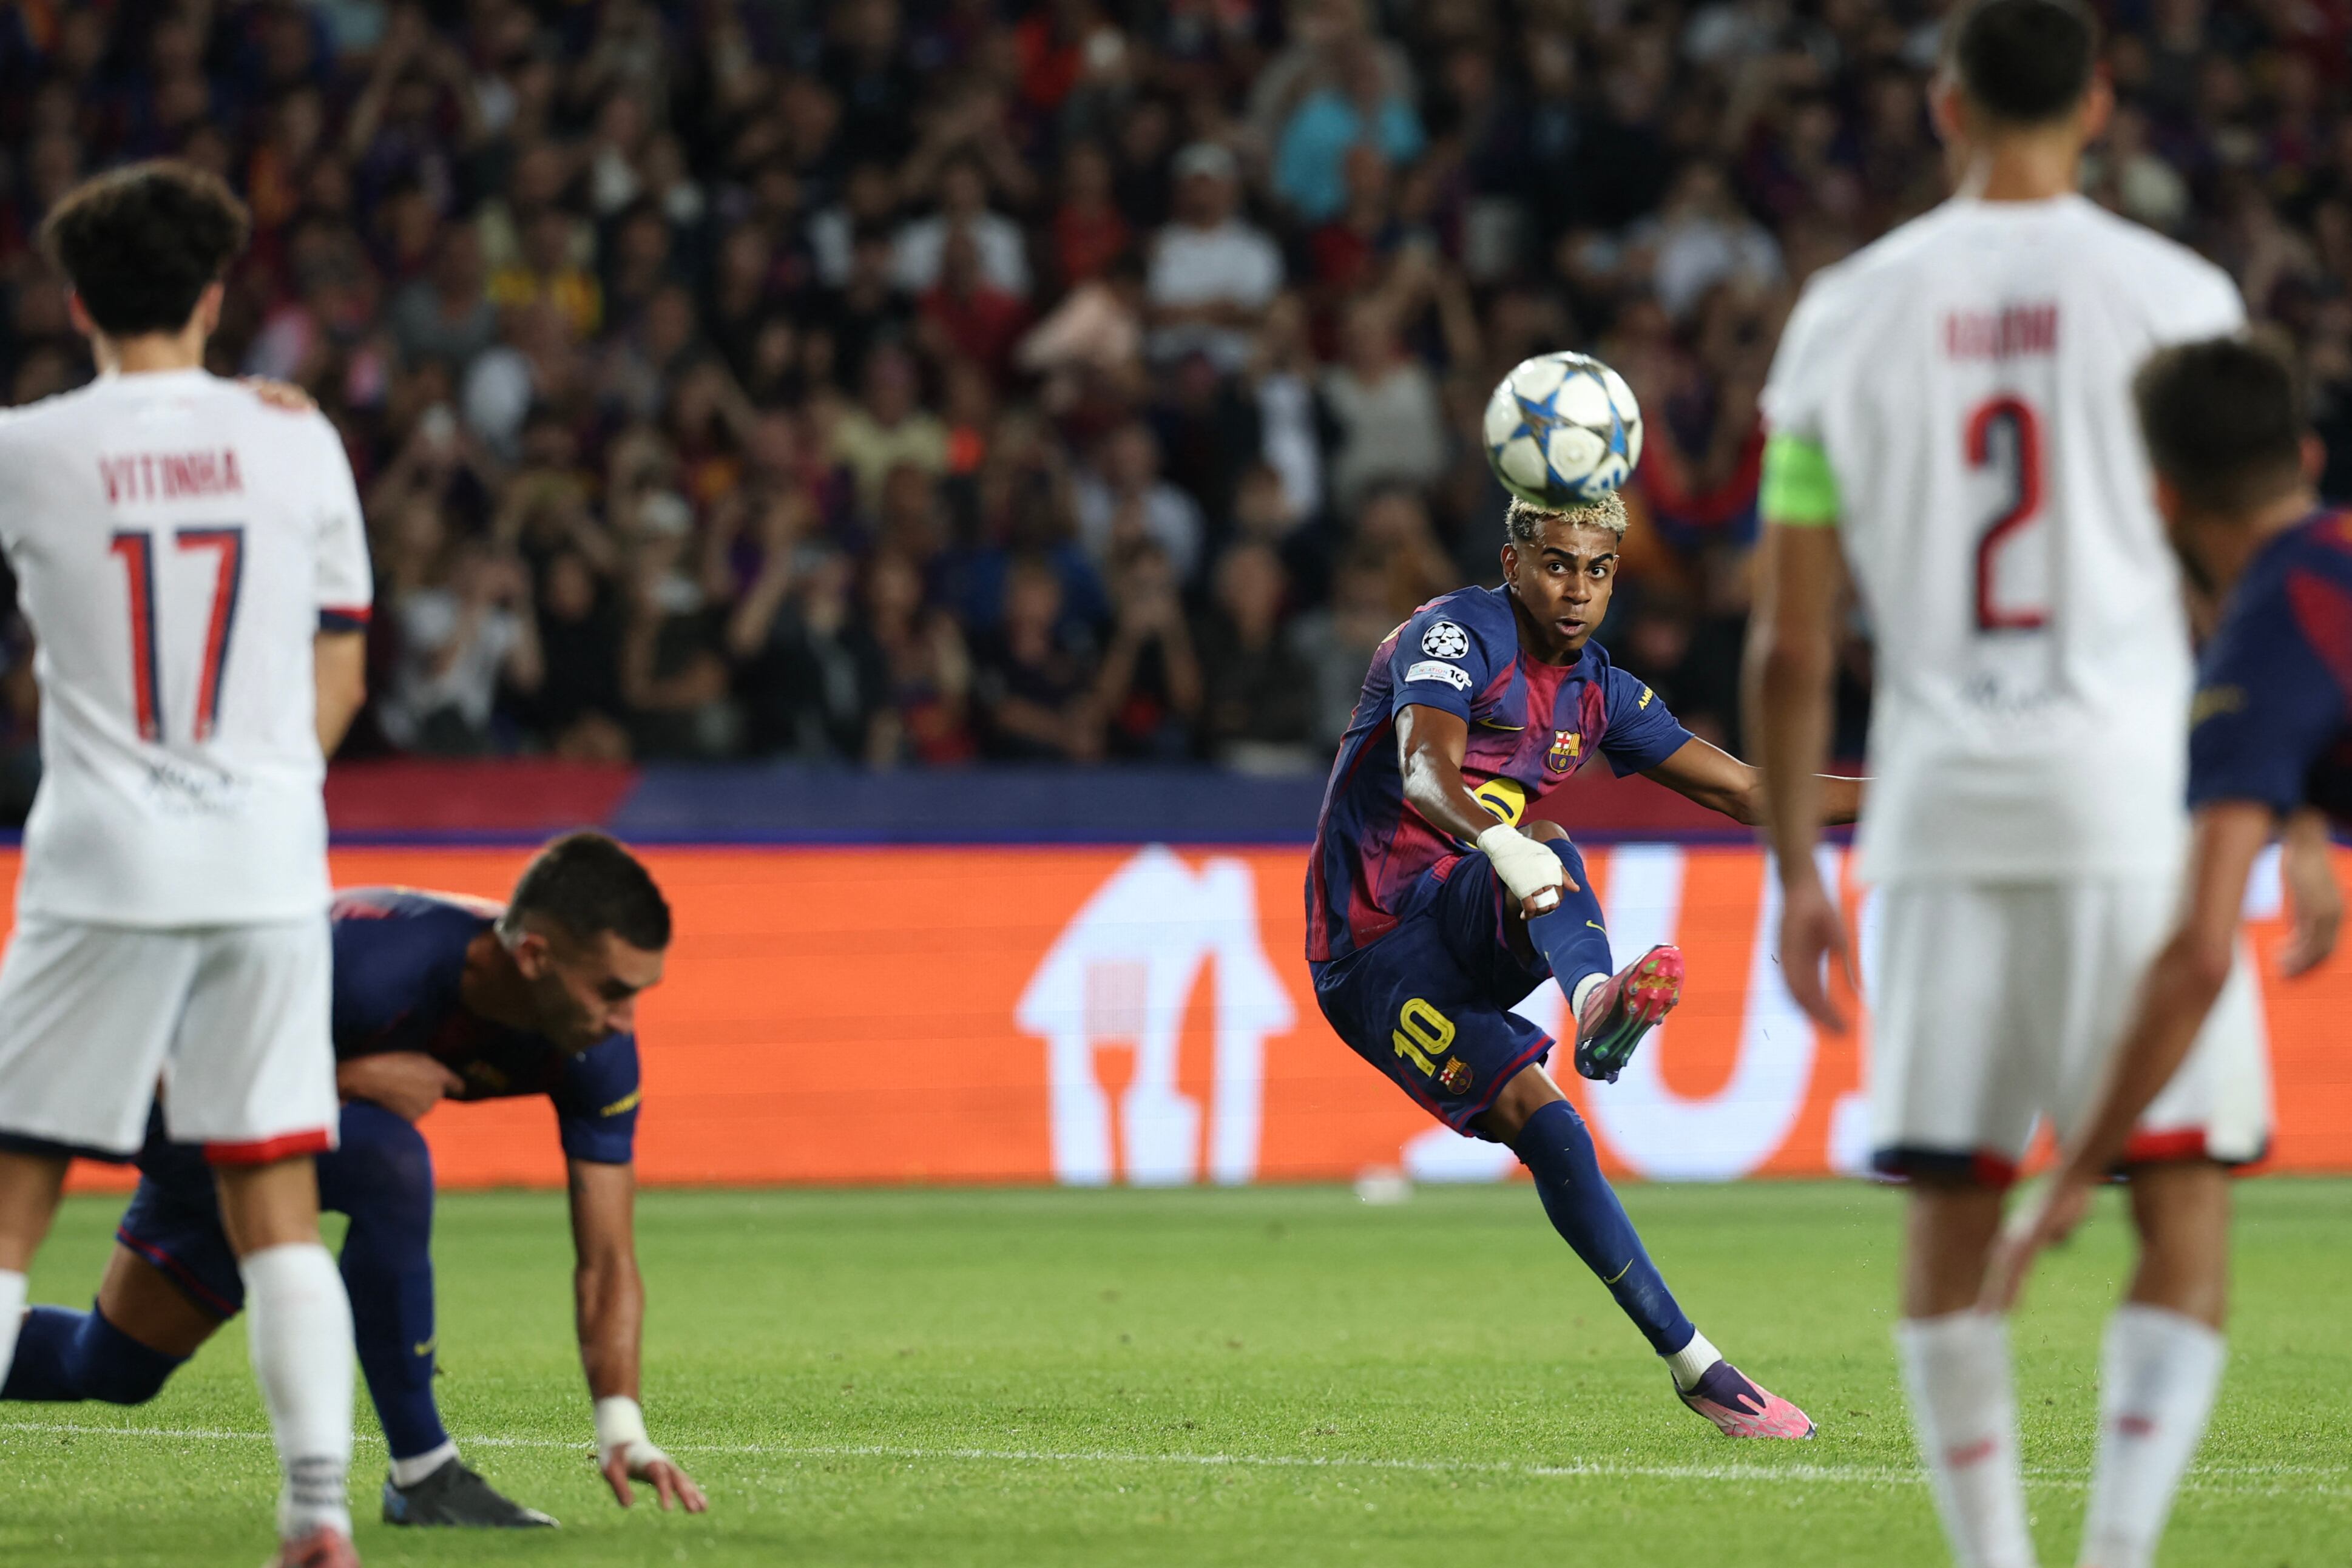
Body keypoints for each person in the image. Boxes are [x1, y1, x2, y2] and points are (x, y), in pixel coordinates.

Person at [1741, 6, 2323, 1565]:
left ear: (1942, 108)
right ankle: (2116, 1551)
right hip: (2137, 808)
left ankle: (1993, 1559)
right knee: (2180, 1197)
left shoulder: (1842, 316)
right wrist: (2308, 811)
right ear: (2099, 101)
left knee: (1946, 1202)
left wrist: (1795, 865)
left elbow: (1790, 648)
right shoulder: (2177, 294)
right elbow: (2263, 572)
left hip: (1935, 819)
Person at [1306, 489, 1860, 1438]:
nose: (1577, 590)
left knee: (1549, 845)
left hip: (1470, 905)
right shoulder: (1454, 635)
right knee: (1550, 1126)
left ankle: (1600, 1006)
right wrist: (1498, 839)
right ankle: (1698, 1365)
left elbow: (1748, 789)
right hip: (1373, 947)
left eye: (1598, 570)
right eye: (1557, 564)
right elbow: (1427, 771)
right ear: (1514, 563)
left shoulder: (1598, 690)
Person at [0, 161, 373, 1568]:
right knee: (274, 1203)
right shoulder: (301, 442)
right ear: (215, 298)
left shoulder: (28, 450)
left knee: (15, 1197)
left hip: (100, 856)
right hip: (267, 855)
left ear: (78, 301)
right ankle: (317, 1513)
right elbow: (339, 673)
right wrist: (262, 787)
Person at [2, 832, 711, 1528]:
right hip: (187, 1113)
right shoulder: (364, 958)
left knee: (109, 1368)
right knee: (389, 1161)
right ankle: (425, 1473)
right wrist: (341, 1082)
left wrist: (622, 1424)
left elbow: (607, 1258)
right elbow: (153, 1063)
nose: (625, 1020)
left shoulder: (599, 1053)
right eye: (612, 991)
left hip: (278, 1141)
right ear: (533, 955)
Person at [1985, 336, 2346, 1567]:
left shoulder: (2258, 643)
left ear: (2163, 500)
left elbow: (2196, 956)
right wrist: (2308, 821)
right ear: (2303, 456)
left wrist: (2077, 1166)